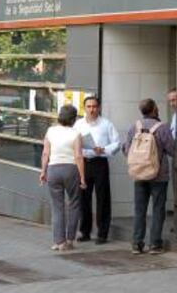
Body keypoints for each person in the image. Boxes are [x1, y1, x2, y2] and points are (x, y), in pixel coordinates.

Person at [124, 99, 175, 255]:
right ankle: (155, 244)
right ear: (155, 109)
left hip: (139, 174)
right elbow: (172, 150)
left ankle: (137, 243)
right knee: (158, 209)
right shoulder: (162, 128)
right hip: (158, 175)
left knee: (140, 209)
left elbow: (127, 150)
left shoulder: (135, 127)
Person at [74, 97, 120, 245]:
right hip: (83, 163)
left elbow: (117, 143)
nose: (91, 109)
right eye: (88, 106)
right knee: (83, 198)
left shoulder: (106, 124)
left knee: (103, 199)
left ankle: (102, 234)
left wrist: (104, 149)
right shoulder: (78, 124)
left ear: (98, 108)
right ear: (84, 108)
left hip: (100, 163)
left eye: (94, 106)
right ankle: (85, 232)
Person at [40, 105, 86, 251]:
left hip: (53, 169)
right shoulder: (76, 134)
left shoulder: (50, 131)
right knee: (74, 204)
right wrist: (83, 178)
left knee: (57, 207)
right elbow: (78, 156)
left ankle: (59, 242)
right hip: (71, 170)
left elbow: (45, 153)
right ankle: (70, 240)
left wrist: (43, 171)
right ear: (74, 119)